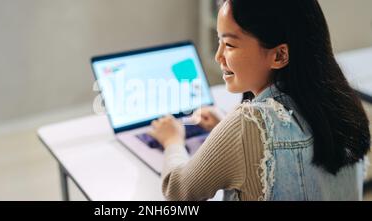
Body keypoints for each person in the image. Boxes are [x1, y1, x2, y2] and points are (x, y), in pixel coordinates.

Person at [149, 0, 371, 201]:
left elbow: (179, 190)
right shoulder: (344, 107)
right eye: (219, 40)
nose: (218, 56)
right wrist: (223, 128)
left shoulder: (247, 123)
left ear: (279, 56)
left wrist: (172, 139)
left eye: (230, 45)